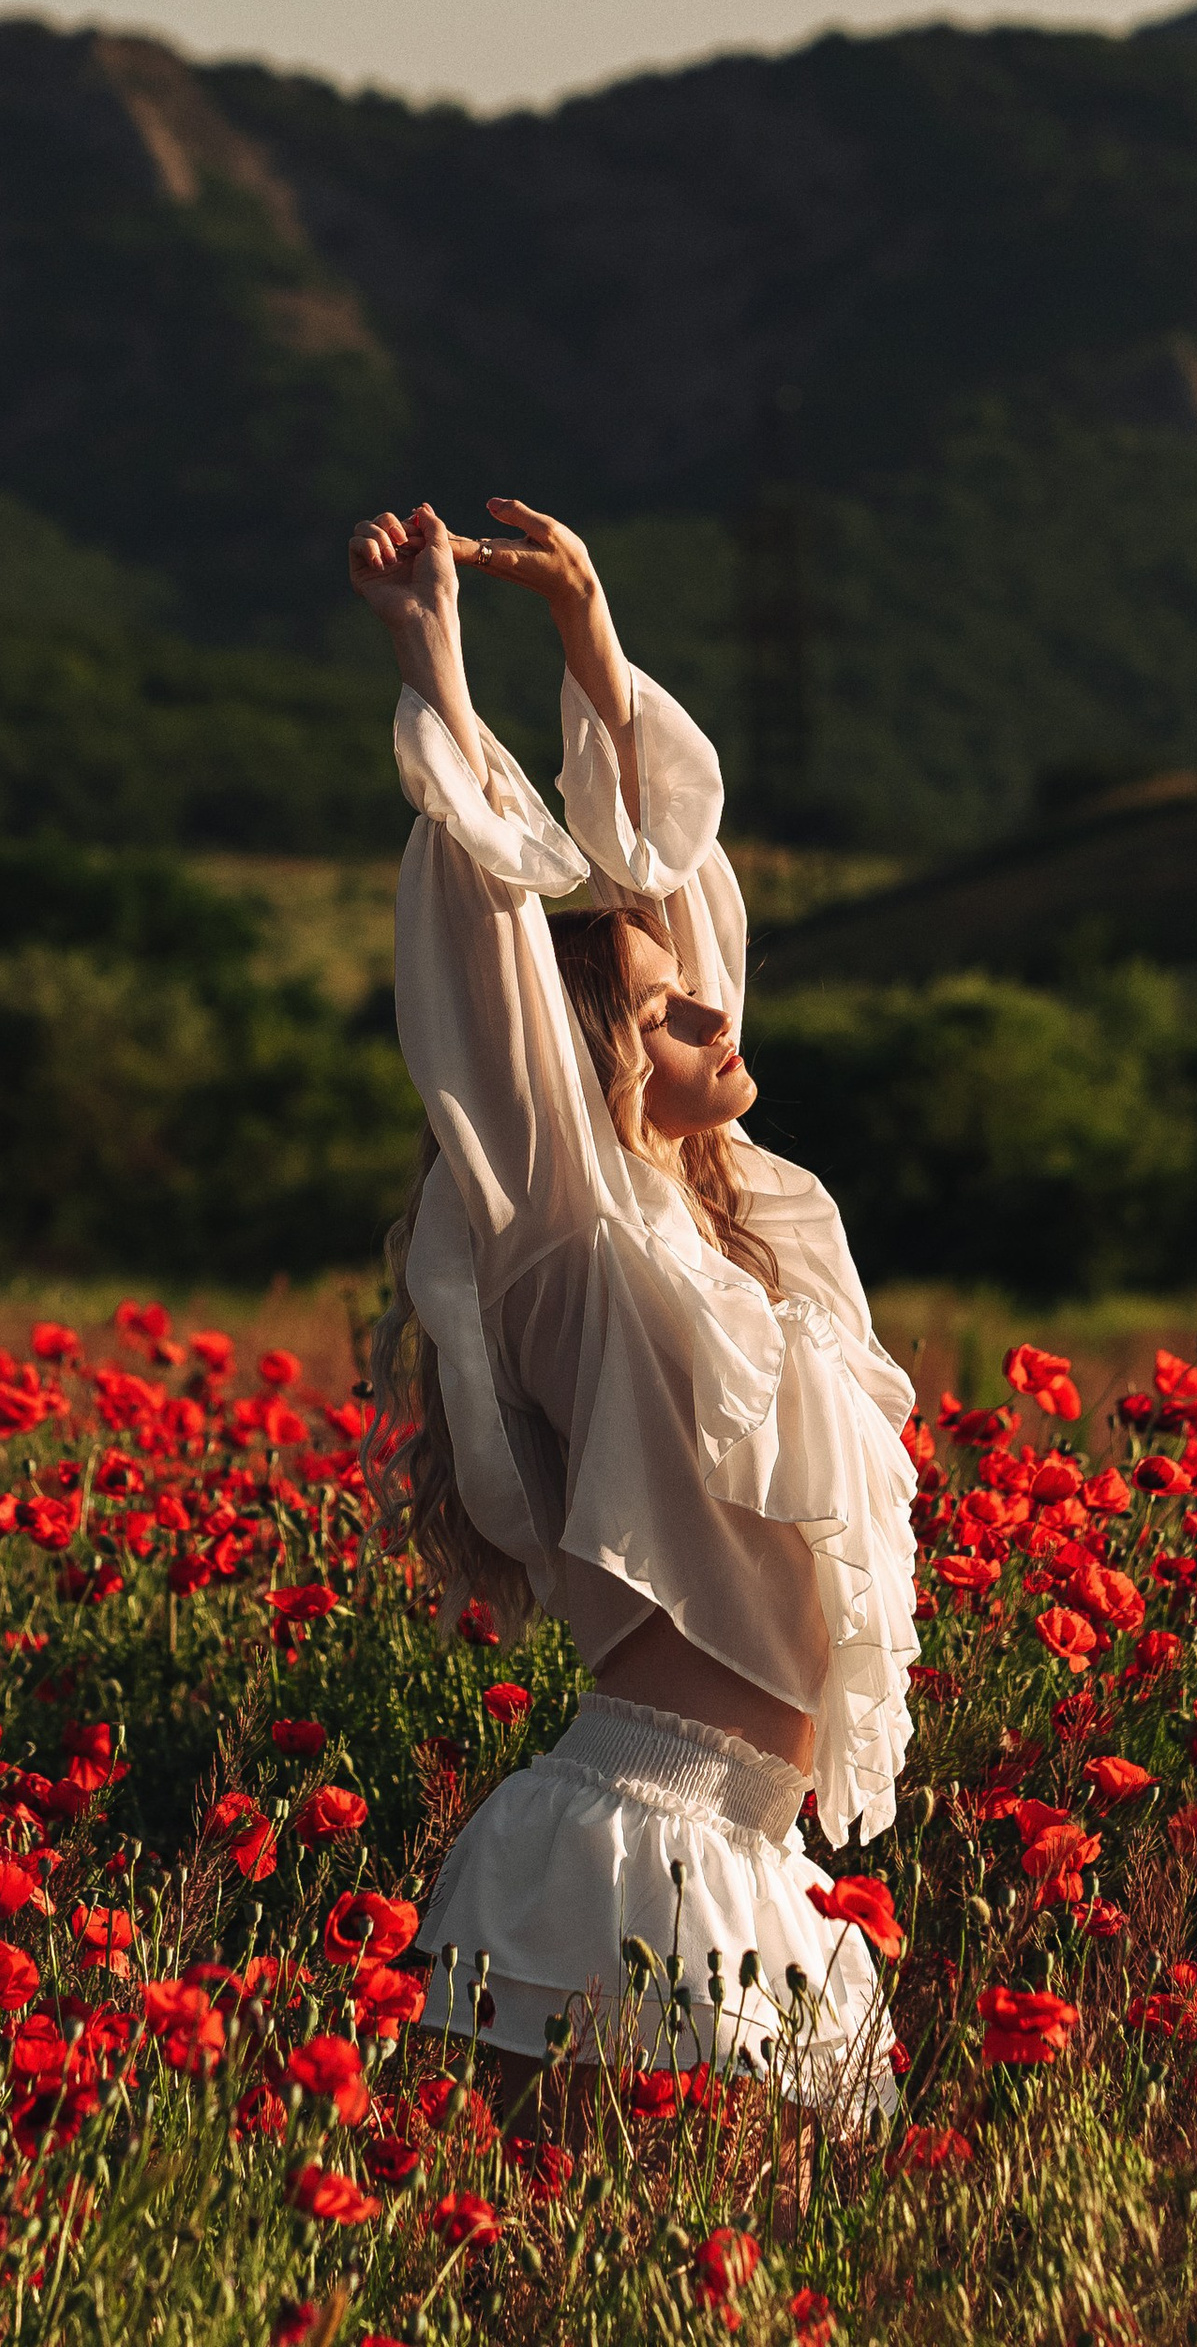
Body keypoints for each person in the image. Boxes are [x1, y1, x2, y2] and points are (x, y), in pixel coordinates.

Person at [349, 495, 917, 2124]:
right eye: (669, 1020)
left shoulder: (743, 1241)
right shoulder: (572, 1240)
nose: (717, 1014)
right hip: (631, 1847)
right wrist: (438, 657)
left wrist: (590, 632)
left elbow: (676, 890)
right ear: (596, 1067)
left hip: (759, 1865)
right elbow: (497, 966)